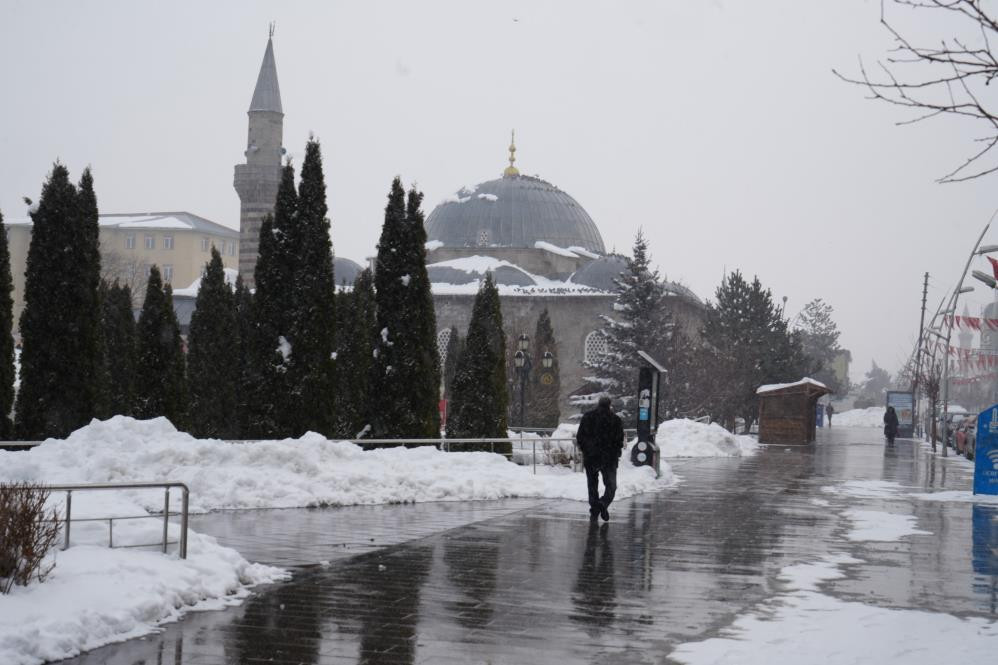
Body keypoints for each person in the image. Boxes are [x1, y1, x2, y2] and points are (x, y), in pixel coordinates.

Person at [576, 396, 625, 521]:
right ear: (609, 405)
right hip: (609, 459)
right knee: (611, 486)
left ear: (598, 404)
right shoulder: (615, 420)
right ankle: (603, 503)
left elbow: (580, 437)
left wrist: (587, 450)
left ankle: (594, 508)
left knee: (592, 484)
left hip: (591, 457)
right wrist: (615, 453)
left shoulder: (588, 417)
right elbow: (619, 440)